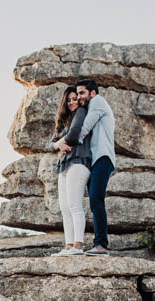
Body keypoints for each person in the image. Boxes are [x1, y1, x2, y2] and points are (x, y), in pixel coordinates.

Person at [55, 78, 115, 256]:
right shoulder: (88, 107)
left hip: (102, 157)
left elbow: (82, 129)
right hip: (96, 158)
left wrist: (61, 143)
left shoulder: (98, 102)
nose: (79, 97)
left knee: (96, 200)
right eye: (77, 94)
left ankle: (101, 245)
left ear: (92, 93)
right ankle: (94, 244)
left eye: (82, 93)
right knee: (93, 201)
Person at [48, 86, 92, 256]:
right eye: (69, 100)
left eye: (75, 98)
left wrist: (60, 143)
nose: (73, 102)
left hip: (79, 162)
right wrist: (56, 145)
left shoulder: (81, 113)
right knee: (65, 208)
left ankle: (78, 245)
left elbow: (74, 135)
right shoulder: (63, 121)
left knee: (74, 205)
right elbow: (48, 144)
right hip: (64, 165)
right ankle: (68, 246)